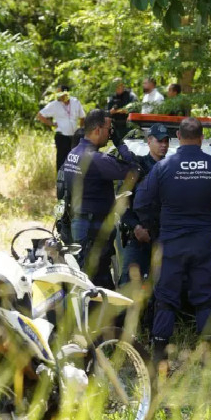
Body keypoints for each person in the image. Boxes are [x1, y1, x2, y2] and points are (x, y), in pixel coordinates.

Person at [134, 117, 211, 367]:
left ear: (178, 138)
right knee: (205, 297)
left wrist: (154, 229)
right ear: (201, 137)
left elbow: (140, 201)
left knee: (165, 297)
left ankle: (159, 356)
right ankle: (206, 355)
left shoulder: (165, 166)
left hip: (171, 242)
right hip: (203, 241)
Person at [63, 109, 139, 289]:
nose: (110, 133)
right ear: (97, 130)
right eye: (108, 129)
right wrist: (120, 144)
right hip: (94, 230)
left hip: (79, 223)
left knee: (82, 277)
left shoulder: (73, 154)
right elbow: (135, 170)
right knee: (96, 282)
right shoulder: (98, 160)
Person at [119, 123, 170, 287]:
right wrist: (135, 227)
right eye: (159, 141)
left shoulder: (173, 169)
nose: (163, 145)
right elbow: (120, 202)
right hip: (139, 239)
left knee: (160, 290)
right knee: (128, 286)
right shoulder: (138, 168)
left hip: (164, 239)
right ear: (149, 141)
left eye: (166, 141)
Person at [36, 85, 86, 172]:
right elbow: (40, 115)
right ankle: (60, 183)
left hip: (74, 137)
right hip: (61, 137)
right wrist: (51, 123)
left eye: (60, 93)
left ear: (66, 94)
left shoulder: (75, 102)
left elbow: (82, 117)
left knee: (75, 161)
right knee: (62, 161)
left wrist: (80, 130)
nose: (58, 96)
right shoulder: (54, 105)